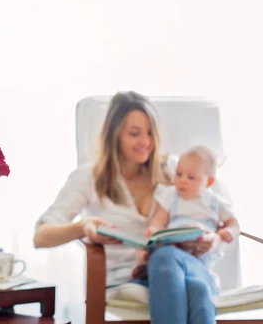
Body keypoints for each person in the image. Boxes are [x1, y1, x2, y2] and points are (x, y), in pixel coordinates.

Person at [33, 91, 225, 324]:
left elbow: (212, 212)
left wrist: (211, 239)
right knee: (176, 271)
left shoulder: (172, 171)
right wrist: (83, 227)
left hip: (183, 269)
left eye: (150, 133)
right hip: (127, 278)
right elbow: (41, 236)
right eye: (134, 133)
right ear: (114, 135)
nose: (145, 142)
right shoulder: (89, 177)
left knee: (195, 286)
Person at [132, 145, 239, 287]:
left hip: (200, 247)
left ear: (208, 182)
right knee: (152, 251)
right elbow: (159, 218)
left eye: (191, 177)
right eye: (179, 174)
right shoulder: (171, 195)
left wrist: (228, 232)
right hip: (174, 244)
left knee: (195, 264)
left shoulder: (215, 202)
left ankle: (203, 278)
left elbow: (233, 223)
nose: (182, 180)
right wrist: (153, 229)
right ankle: (146, 270)